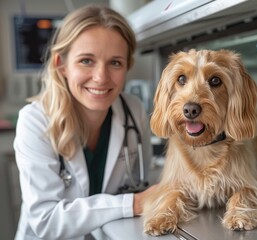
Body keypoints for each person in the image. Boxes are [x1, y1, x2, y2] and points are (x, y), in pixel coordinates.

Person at [14, 4, 156, 240]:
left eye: (115, 63)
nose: (101, 77)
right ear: (61, 65)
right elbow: (46, 221)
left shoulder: (134, 110)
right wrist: (131, 204)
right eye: (86, 61)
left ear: (127, 67)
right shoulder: (35, 121)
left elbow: (144, 180)